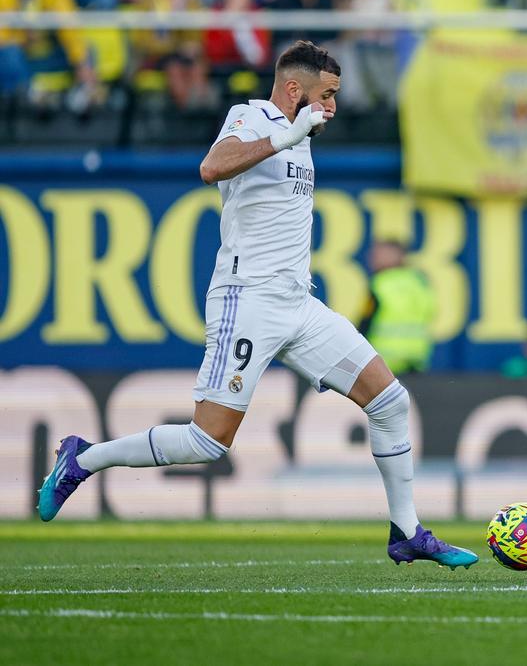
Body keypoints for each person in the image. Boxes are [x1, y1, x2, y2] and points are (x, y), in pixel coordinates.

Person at [39, 41, 477, 570]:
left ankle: (407, 531)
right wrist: (283, 135)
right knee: (208, 442)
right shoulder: (251, 115)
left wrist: (296, 134)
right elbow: (211, 167)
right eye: (327, 94)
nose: (333, 106)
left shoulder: (304, 132)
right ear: (295, 89)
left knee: (390, 402)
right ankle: (82, 459)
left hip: (298, 304)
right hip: (246, 300)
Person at [359, 241, 437, 374]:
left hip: (385, 360)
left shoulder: (380, 283)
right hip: (417, 357)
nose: (372, 259)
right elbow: (430, 312)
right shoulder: (419, 281)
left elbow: (366, 322)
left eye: (377, 255)